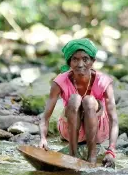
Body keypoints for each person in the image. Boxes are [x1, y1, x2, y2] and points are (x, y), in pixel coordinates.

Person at [39, 38, 119, 168]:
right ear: (69, 62)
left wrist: (111, 151)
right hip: (69, 129)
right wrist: (43, 138)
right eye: (75, 59)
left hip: (98, 130)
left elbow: (114, 119)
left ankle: (92, 157)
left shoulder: (103, 82)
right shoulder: (59, 81)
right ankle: (73, 154)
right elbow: (45, 117)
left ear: (93, 61)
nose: (80, 64)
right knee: (75, 99)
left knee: (88, 100)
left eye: (85, 59)